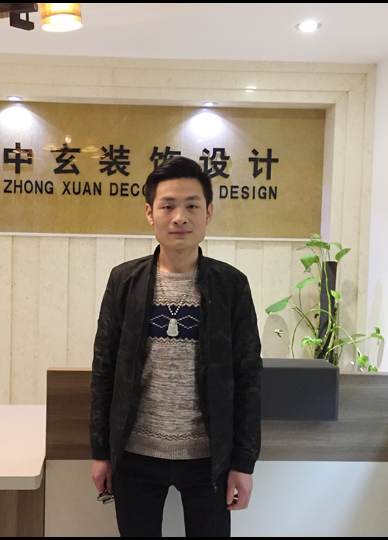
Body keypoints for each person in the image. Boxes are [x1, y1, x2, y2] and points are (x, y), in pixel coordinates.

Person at [90, 155, 263, 537]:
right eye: (168, 206)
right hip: (135, 454)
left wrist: (244, 462)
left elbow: (247, 377)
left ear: (209, 213)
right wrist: (101, 452)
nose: (179, 217)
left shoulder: (231, 285)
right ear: (149, 213)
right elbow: (104, 370)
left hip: (209, 459)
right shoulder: (124, 281)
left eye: (191, 206)